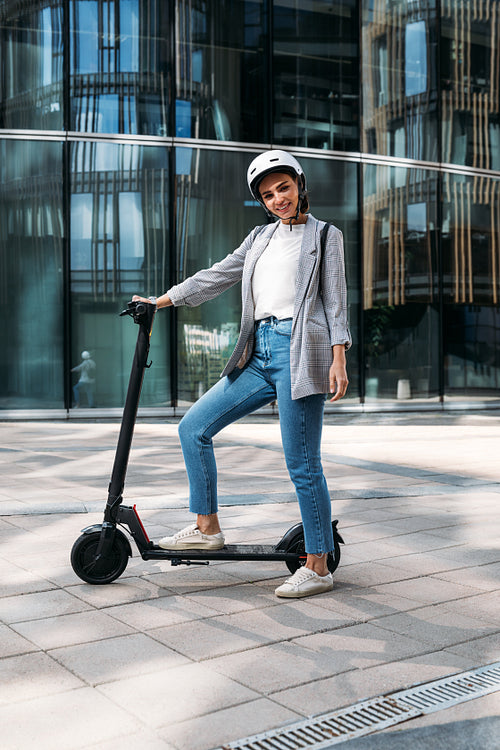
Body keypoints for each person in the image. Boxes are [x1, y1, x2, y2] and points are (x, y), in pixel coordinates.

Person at [133, 149, 351, 598]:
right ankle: (207, 527)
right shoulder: (259, 239)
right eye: (268, 195)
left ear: (299, 184)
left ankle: (318, 565)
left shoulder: (326, 236)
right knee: (194, 427)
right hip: (257, 353)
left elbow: (335, 302)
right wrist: (161, 301)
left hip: (300, 353)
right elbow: (216, 276)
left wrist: (338, 357)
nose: (278, 199)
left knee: (303, 464)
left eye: (284, 188)